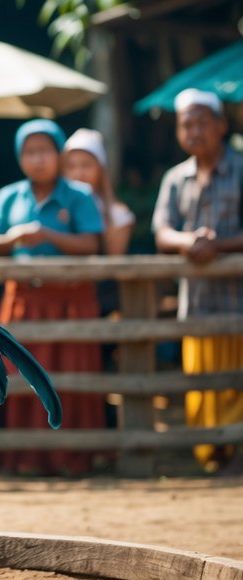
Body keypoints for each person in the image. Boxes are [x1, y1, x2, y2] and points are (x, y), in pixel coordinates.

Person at [0, 118, 106, 476]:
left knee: (70, 371)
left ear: (59, 154)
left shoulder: (78, 195)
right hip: (23, 299)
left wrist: (48, 234)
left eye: (45, 151)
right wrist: (17, 237)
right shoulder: (9, 196)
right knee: (20, 374)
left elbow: (91, 244)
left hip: (71, 300)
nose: (38, 159)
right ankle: (22, 458)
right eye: (29, 152)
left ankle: (72, 457)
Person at [152, 88, 243, 475]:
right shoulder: (176, 178)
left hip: (238, 303)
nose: (194, 131)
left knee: (238, 382)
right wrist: (189, 242)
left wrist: (217, 245)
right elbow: (161, 231)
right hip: (197, 303)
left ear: (221, 126)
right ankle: (211, 458)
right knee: (201, 385)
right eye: (186, 124)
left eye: (202, 122)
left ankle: (238, 455)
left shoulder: (241, 169)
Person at [63, 128, 135, 256]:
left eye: (86, 165)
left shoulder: (119, 215)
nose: (78, 173)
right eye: (71, 166)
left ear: (100, 169)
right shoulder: (56, 208)